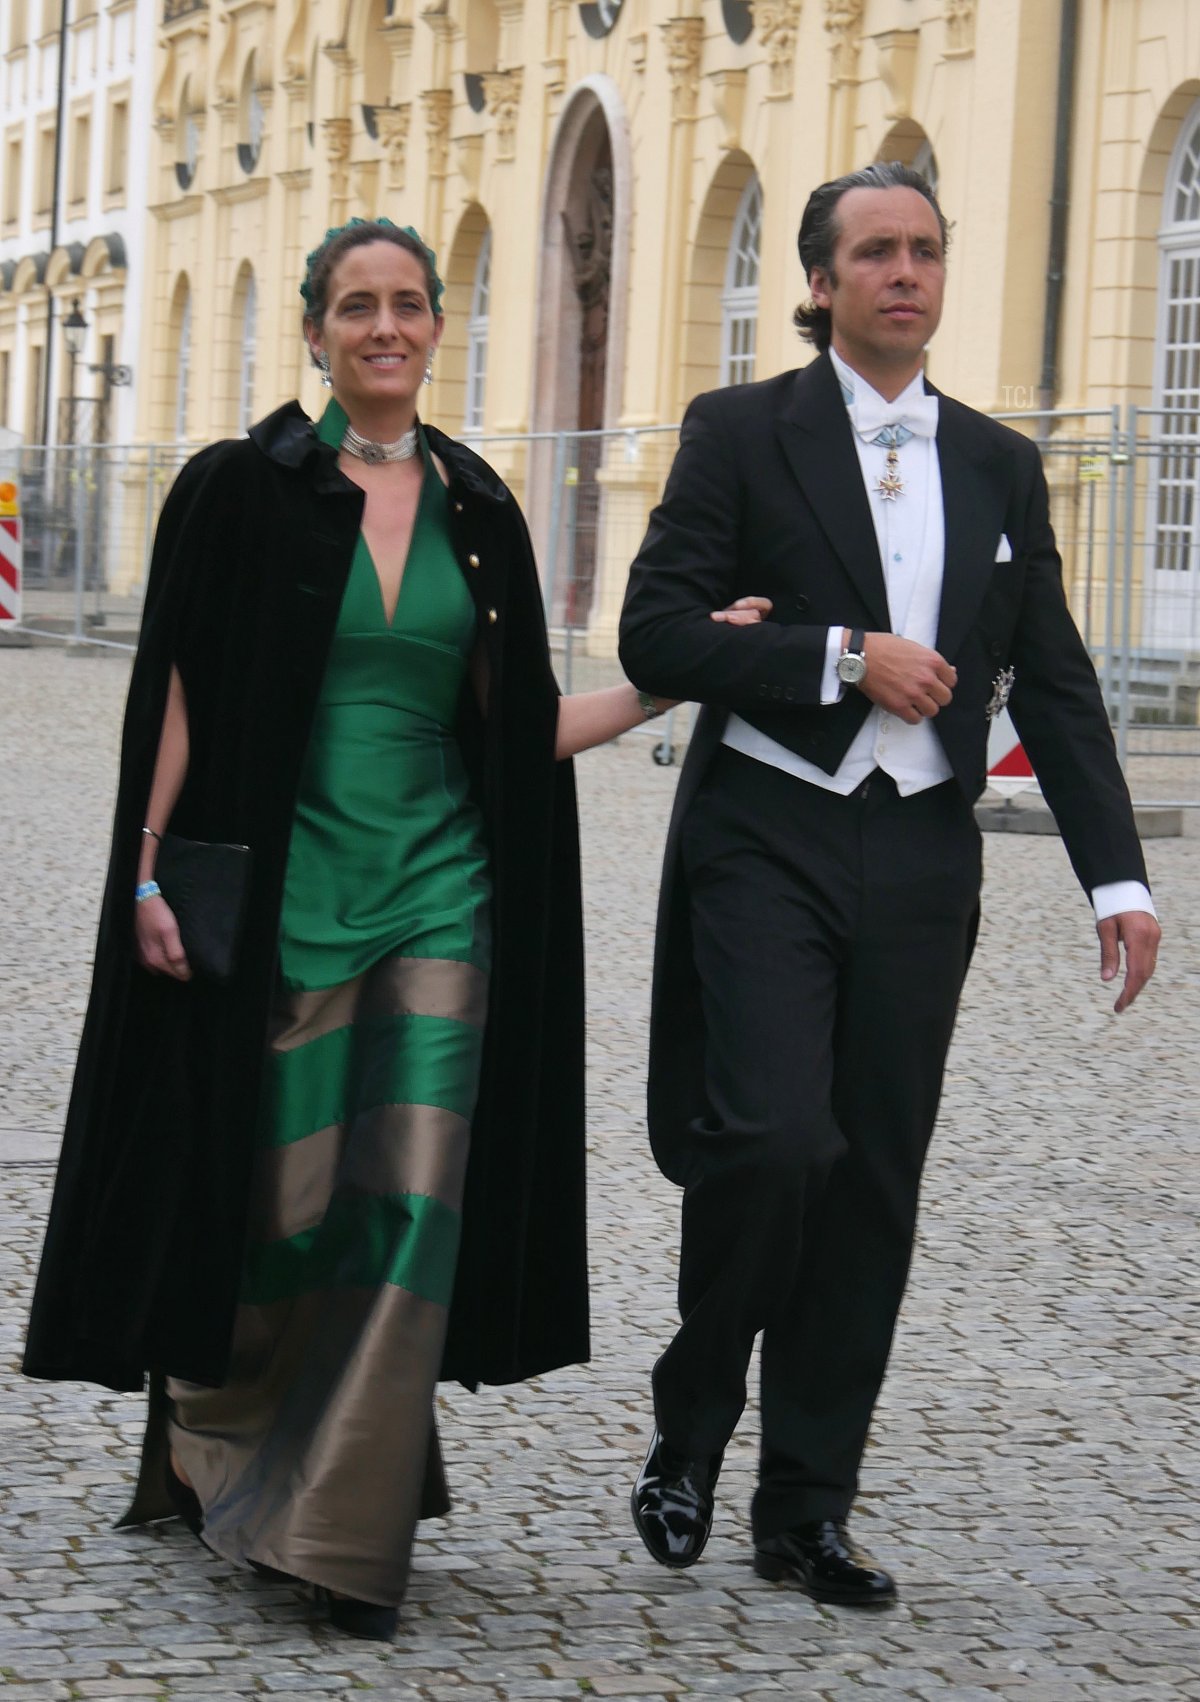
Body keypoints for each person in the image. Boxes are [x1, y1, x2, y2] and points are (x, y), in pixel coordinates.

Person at [22, 218, 768, 1640]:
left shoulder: (479, 507)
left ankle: (338, 1531)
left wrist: (681, 676)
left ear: (436, 330)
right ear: (316, 331)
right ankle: (216, 1422)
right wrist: (145, 871)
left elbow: (521, 731)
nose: (385, 326)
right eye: (356, 305)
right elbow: (172, 692)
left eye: (408, 305)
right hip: (291, 894)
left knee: (412, 1197)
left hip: (443, 888)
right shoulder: (239, 490)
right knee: (290, 1204)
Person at [618, 163, 1161, 1606]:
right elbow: (658, 631)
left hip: (923, 856)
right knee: (776, 1139)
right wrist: (842, 657)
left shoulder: (996, 459)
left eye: (924, 249)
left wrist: (1118, 880)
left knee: (868, 1183)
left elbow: (1054, 675)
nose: (904, 271)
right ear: (820, 282)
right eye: (874, 251)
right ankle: (691, 1416)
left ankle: (806, 1507)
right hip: (768, 832)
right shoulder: (741, 431)